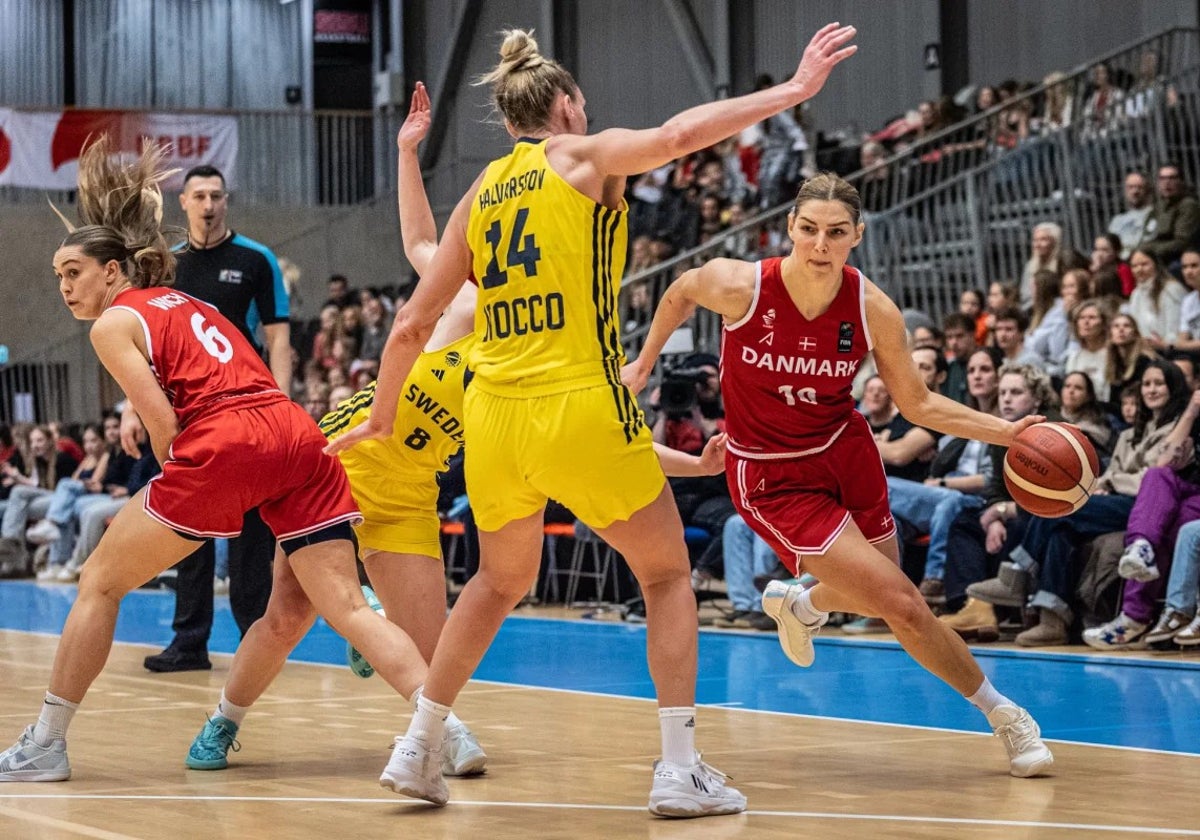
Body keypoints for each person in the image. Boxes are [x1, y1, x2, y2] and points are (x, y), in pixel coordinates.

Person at [325, 23, 860, 816]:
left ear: (508, 123)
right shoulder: (581, 156)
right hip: (577, 399)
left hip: (495, 423)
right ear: (567, 106)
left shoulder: (480, 197)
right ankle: (678, 769)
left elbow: (410, 319)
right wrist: (793, 92)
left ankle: (420, 743)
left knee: (499, 580)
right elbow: (680, 134)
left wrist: (383, 413)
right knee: (667, 573)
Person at [0, 137, 430, 786]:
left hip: (227, 445)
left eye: (73, 272)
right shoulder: (191, 303)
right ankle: (439, 732)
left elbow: (166, 425)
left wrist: (184, 484)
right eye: (58, 276)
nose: (64, 287)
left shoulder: (113, 323)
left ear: (113, 272)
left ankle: (46, 745)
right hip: (294, 434)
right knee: (347, 607)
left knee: (100, 581)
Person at [625, 171, 1053, 780]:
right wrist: (644, 362)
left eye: (835, 233)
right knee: (901, 603)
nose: (819, 245)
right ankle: (1005, 714)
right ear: (789, 229)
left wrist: (1006, 433)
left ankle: (800, 607)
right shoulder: (739, 285)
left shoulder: (872, 308)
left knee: (878, 590)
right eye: (808, 230)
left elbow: (920, 404)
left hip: (843, 446)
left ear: (857, 234)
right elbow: (679, 291)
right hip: (772, 474)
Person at [141, 162, 291, 673]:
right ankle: (189, 642)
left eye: (217, 196)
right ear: (182, 202)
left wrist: (282, 405)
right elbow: (148, 344)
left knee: (253, 530)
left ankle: (256, 638)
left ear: (227, 201)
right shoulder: (169, 266)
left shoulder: (256, 260)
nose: (208, 204)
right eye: (199, 196)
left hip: (247, 411)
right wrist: (133, 408)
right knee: (188, 523)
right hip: (186, 412)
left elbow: (279, 340)